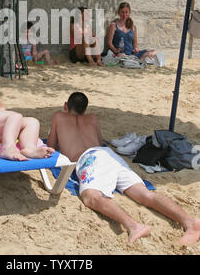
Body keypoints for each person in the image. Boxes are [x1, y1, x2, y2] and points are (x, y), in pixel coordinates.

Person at [47, 92, 200, 246]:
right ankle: (190, 221)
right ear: (85, 110)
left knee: (91, 196)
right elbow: (100, 143)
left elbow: (51, 146)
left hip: (90, 159)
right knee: (146, 195)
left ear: (65, 105)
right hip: (109, 156)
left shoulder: (59, 117)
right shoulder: (92, 118)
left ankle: (134, 226)